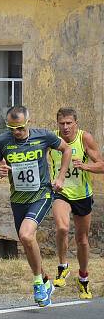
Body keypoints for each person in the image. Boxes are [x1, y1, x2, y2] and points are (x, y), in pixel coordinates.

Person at [0, 105, 71, 307]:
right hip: (18, 199)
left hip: (41, 194)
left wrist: (60, 177)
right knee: (27, 241)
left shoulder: (43, 136)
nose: (16, 133)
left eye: (20, 128)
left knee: (25, 234)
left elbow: (66, 149)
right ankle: (44, 280)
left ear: (28, 123)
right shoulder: (2, 141)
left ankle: (37, 284)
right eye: (12, 128)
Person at [49, 107, 103, 299]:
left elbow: (102, 165)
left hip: (82, 195)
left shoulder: (84, 138)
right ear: (57, 124)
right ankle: (63, 266)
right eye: (62, 123)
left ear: (76, 123)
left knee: (82, 240)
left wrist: (85, 165)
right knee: (62, 228)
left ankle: (83, 278)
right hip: (61, 192)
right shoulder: (53, 139)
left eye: (69, 123)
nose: (65, 127)